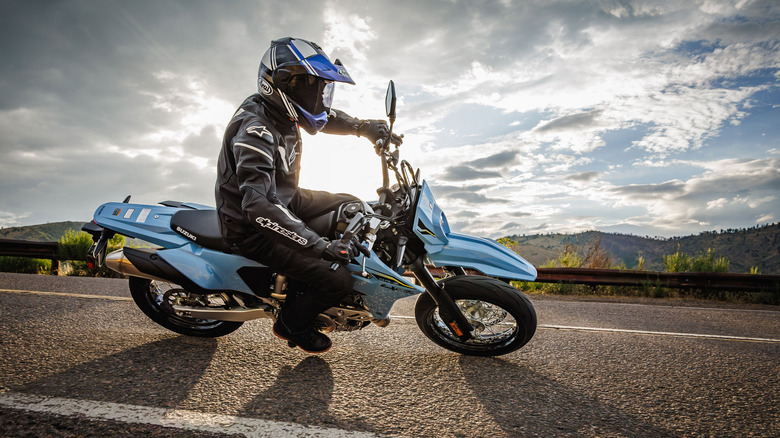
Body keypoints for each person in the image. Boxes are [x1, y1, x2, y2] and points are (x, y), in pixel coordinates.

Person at [215, 37, 400, 353]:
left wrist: (364, 127)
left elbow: (327, 118)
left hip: (286, 197)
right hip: (251, 227)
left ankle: (304, 281)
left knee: (352, 205)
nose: (319, 97)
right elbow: (258, 205)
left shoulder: (281, 110)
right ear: (285, 84)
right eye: (312, 87)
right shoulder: (255, 129)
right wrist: (321, 246)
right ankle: (291, 324)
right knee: (337, 279)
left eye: (322, 89)